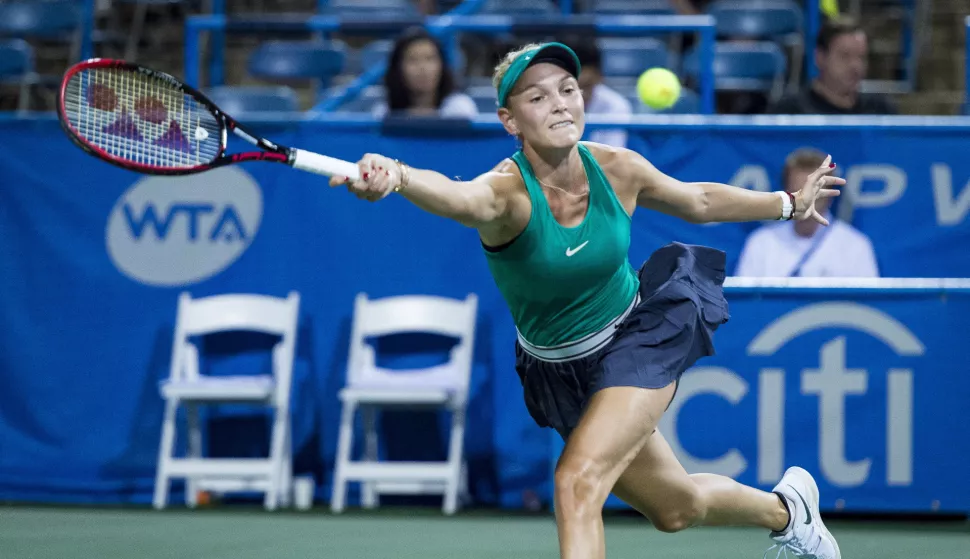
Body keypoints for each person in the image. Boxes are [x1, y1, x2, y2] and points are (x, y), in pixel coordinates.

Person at [331, 42, 843, 559]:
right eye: (537, 97)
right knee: (675, 508)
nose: (558, 103)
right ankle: (790, 511)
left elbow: (699, 200)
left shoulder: (617, 167)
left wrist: (789, 203)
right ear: (510, 120)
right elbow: (458, 196)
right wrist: (398, 174)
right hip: (559, 368)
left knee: (576, 483)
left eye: (568, 90)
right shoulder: (505, 194)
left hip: (635, 339)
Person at [737, 147, 880, 277]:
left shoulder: (855, 247)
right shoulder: (761, 244)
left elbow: (866, 304)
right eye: (797, 193)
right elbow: (746, 303)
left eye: (813, 193)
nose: (805, 202)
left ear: (830, 194)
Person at [766, 17, 896, 115]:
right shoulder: (791, 112)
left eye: (861, 57)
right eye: (845, 56)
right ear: (820, 58)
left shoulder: (880, 111)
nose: (855, 66)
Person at [372, 27, 478, 119]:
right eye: (413, 60)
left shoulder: (459, 109)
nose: (422, 68)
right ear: (398, 68)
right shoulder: (383, 113)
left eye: (430, 59)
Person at [569, 39, 632, 148]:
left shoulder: (616, 105)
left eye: (586, 86)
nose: (580, 95)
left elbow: (612, 157)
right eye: (570, 89)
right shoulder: (550, 105)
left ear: (599, 77)